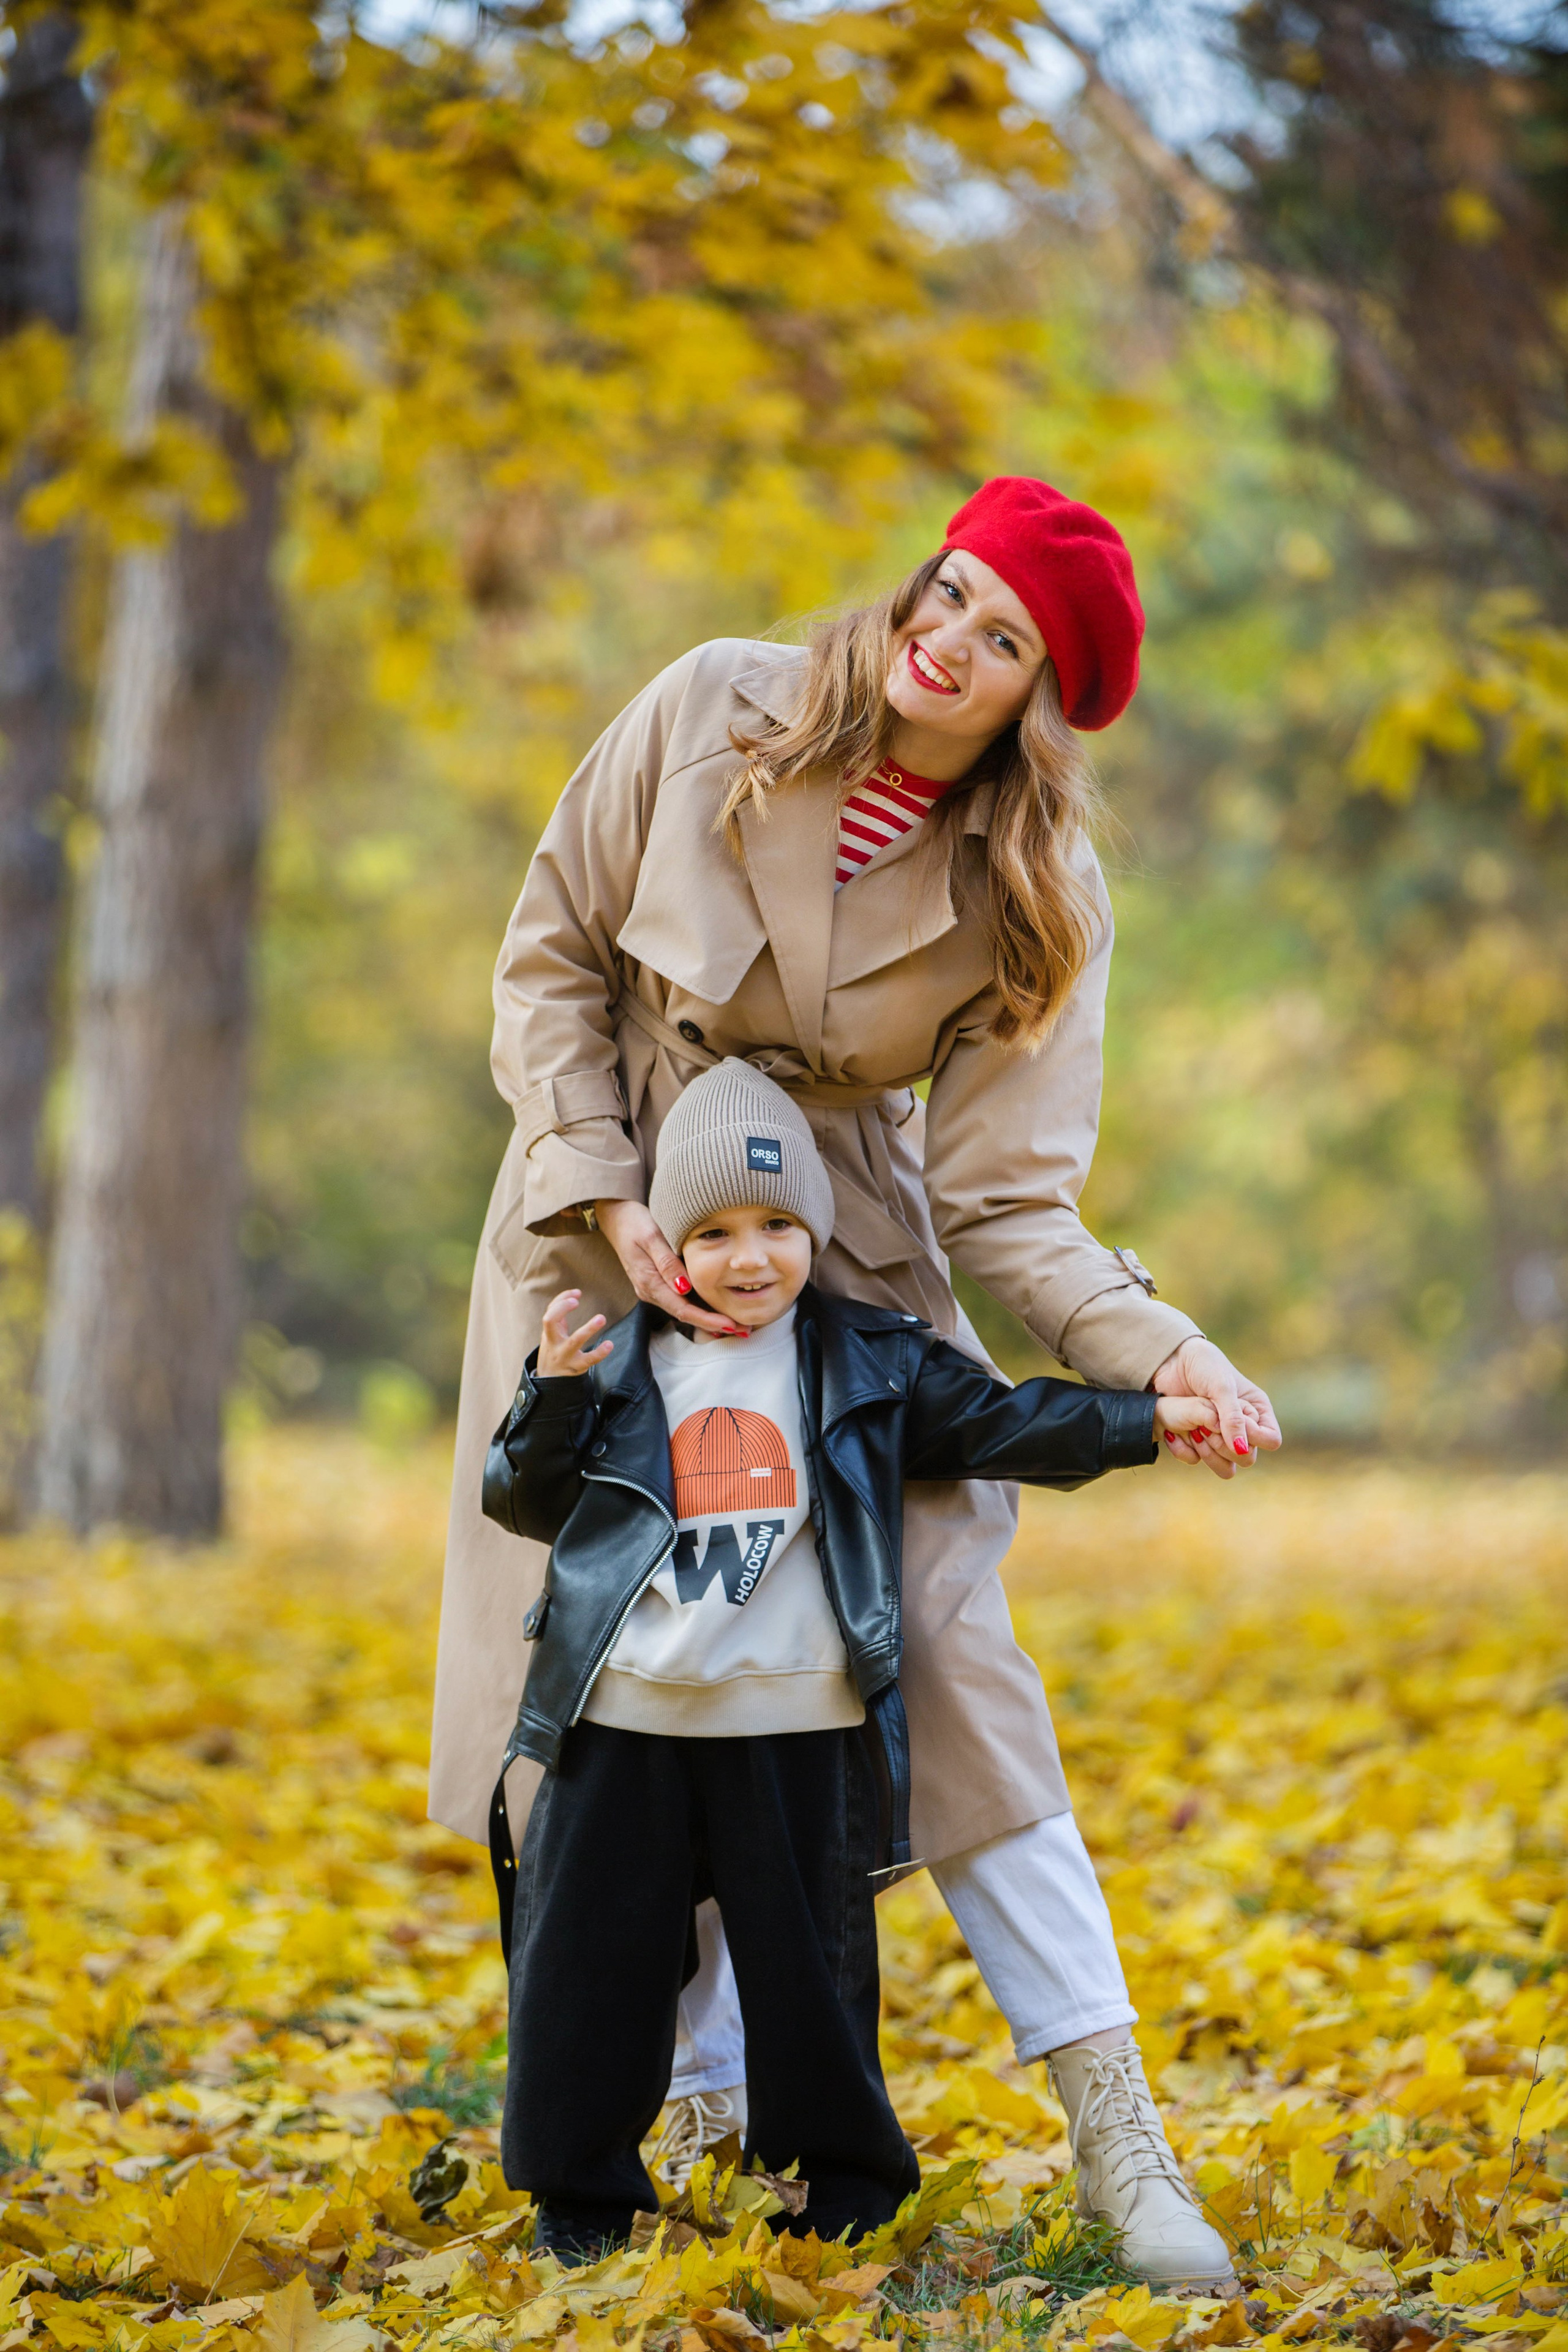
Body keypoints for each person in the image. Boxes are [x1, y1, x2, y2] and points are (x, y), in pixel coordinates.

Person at [430, 473, 1282, 2292]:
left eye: (1000, 644)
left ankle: (1116, 2123)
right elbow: (550, 959)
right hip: (603, 1263)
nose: (947, 644)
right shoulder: (704, 706)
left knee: (954, 1677)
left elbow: (1013, 1208)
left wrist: (1171, 1355)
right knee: (626, 1694)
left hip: (848, 1298)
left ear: (1041, 706)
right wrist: (594, 1186)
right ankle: (695, 2101)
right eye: (950, 596)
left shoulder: (1040, 889)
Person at [484, 1062, 1233, 2260]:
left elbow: (1008, 1423)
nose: (748, 1257)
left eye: (777, 1225)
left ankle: (839, 2193)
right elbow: (523, 1502)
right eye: (715, 1232)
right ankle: (581, 2204)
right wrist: (553, 1401)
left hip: (795, 1724)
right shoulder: (621, 1363)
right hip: (623, 1721)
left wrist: (1148, 1420)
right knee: (589, 1969)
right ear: (666, 1241)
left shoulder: (867, 1358)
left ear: (814, 1231)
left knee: (815, 1978)